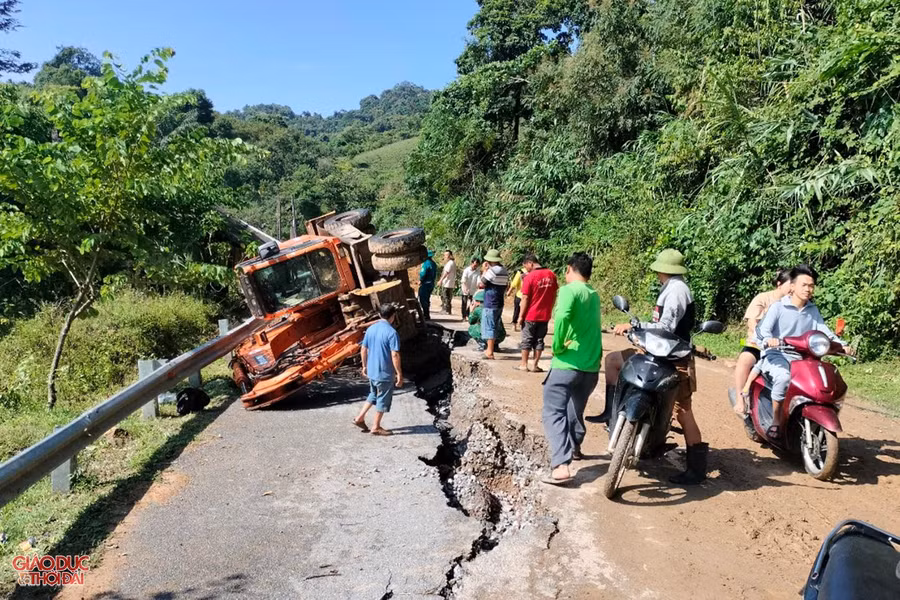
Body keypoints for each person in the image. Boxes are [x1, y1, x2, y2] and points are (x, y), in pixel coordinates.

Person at [588, 248, 706, 485]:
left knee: (683, 412)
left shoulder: (677, 291)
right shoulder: (671, 287)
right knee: (613, 361)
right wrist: (637, 325)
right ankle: (612, 414)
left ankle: (696, 469)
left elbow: (666, 326)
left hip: (674, 357)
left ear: (662, 269)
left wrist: (634, 327)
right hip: (655, 349)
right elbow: (658, 324)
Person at [755, 265, 852, 441]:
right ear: (792, 286)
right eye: (804, 285)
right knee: (784, 377)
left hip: (803, 357)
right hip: (777, 355)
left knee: (826, 381)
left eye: (811, 285)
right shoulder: (778, 308)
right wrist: (769, 339)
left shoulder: (812, 310)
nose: (808, 289)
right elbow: (762, 330)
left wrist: (843, 345)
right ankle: (776, 421)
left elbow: (825, 332)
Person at [540, 252, 603, 485]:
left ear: (569, 269)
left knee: (553, 411)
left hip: (567, 363)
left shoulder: (568, 291)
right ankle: (575, 447)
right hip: (590, 366)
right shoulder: (594, 295)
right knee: (575, 408)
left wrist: (557, 345)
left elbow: (563, 317)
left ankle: (561, 465)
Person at [731, 268, 792, 415]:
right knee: (745, 360)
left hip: (786, 348)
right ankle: (741, 400)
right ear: (779, 284)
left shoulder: (797, 304)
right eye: (791, 284)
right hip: (759, 345)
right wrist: (763, 337)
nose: (793, 288)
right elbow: (752, 322)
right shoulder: (763, 298)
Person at [353, 303, 404, 436]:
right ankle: (376, 427)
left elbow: (363, 349)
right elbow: (395, 354)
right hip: (384, 373)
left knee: (373, 394)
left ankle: (359, 418)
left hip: (372, 371)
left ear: (380, 314)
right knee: (382, 398)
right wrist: (399, 374)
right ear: (393, 316)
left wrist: (364, 366)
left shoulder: (371, 329)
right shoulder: (392, 333)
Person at [516, 254, 558, 373]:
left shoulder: (530, 277)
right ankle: (535, 365)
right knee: (539, 340)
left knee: (527, 339)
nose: (526, 269)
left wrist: (520, 316)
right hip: (544, 315)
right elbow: (554, 294)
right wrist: (550, 308)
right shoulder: (551, 275)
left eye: (526, 266)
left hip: (530, 315)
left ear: (530, 263)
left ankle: (524, 365)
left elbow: (525, 298)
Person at [479, 249, 509, 360]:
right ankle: (491, 348)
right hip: (499, 302)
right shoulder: (504, 270)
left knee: (489, 326)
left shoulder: (492, 271)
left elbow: (481, 284)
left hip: (490, 302)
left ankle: (490, 352)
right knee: (495, 325)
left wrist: (484, 270)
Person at [508, 263, 528, 332]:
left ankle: (514, 325)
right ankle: (524, 326)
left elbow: (514, 284)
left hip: (519, 295)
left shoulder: (520, 272)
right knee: (526, 312)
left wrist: (509, 291)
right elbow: (514, 283)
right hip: (527, 296)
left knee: (517, 310)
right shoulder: (533, 272)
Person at [418, 250, 438, 320]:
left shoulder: (426, 264)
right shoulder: (434, 264)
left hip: (425, 284)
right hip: (431, 284)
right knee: (427, 299)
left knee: (423, 299)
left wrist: (420, 280)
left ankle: (426, 315)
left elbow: (423, 273)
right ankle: (426, 314)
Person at [460, 256, 481, 322]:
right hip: (465, 289)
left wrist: (479, 286)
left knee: (472, 304)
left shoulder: (477, 271)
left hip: (473, 290)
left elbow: (478, 280)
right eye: (474, 265)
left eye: (476, 266)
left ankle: (469, 315)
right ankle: (463, 317)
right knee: (464, 303)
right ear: (471, 263)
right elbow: (464, 280)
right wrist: (465, 288)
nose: (475, 267)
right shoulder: (466, 270)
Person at [438, 250, 457, 315]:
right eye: (445, 255)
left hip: (447, 283)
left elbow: (446, 272)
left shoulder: (450, 263)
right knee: (448, 297)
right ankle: (448, 310)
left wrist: (440, 280)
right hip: (450, 283)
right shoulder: (452, 263)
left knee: (445, 296)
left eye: (446, 255)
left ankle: (446, 310)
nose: (445, 256)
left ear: (450, 256)